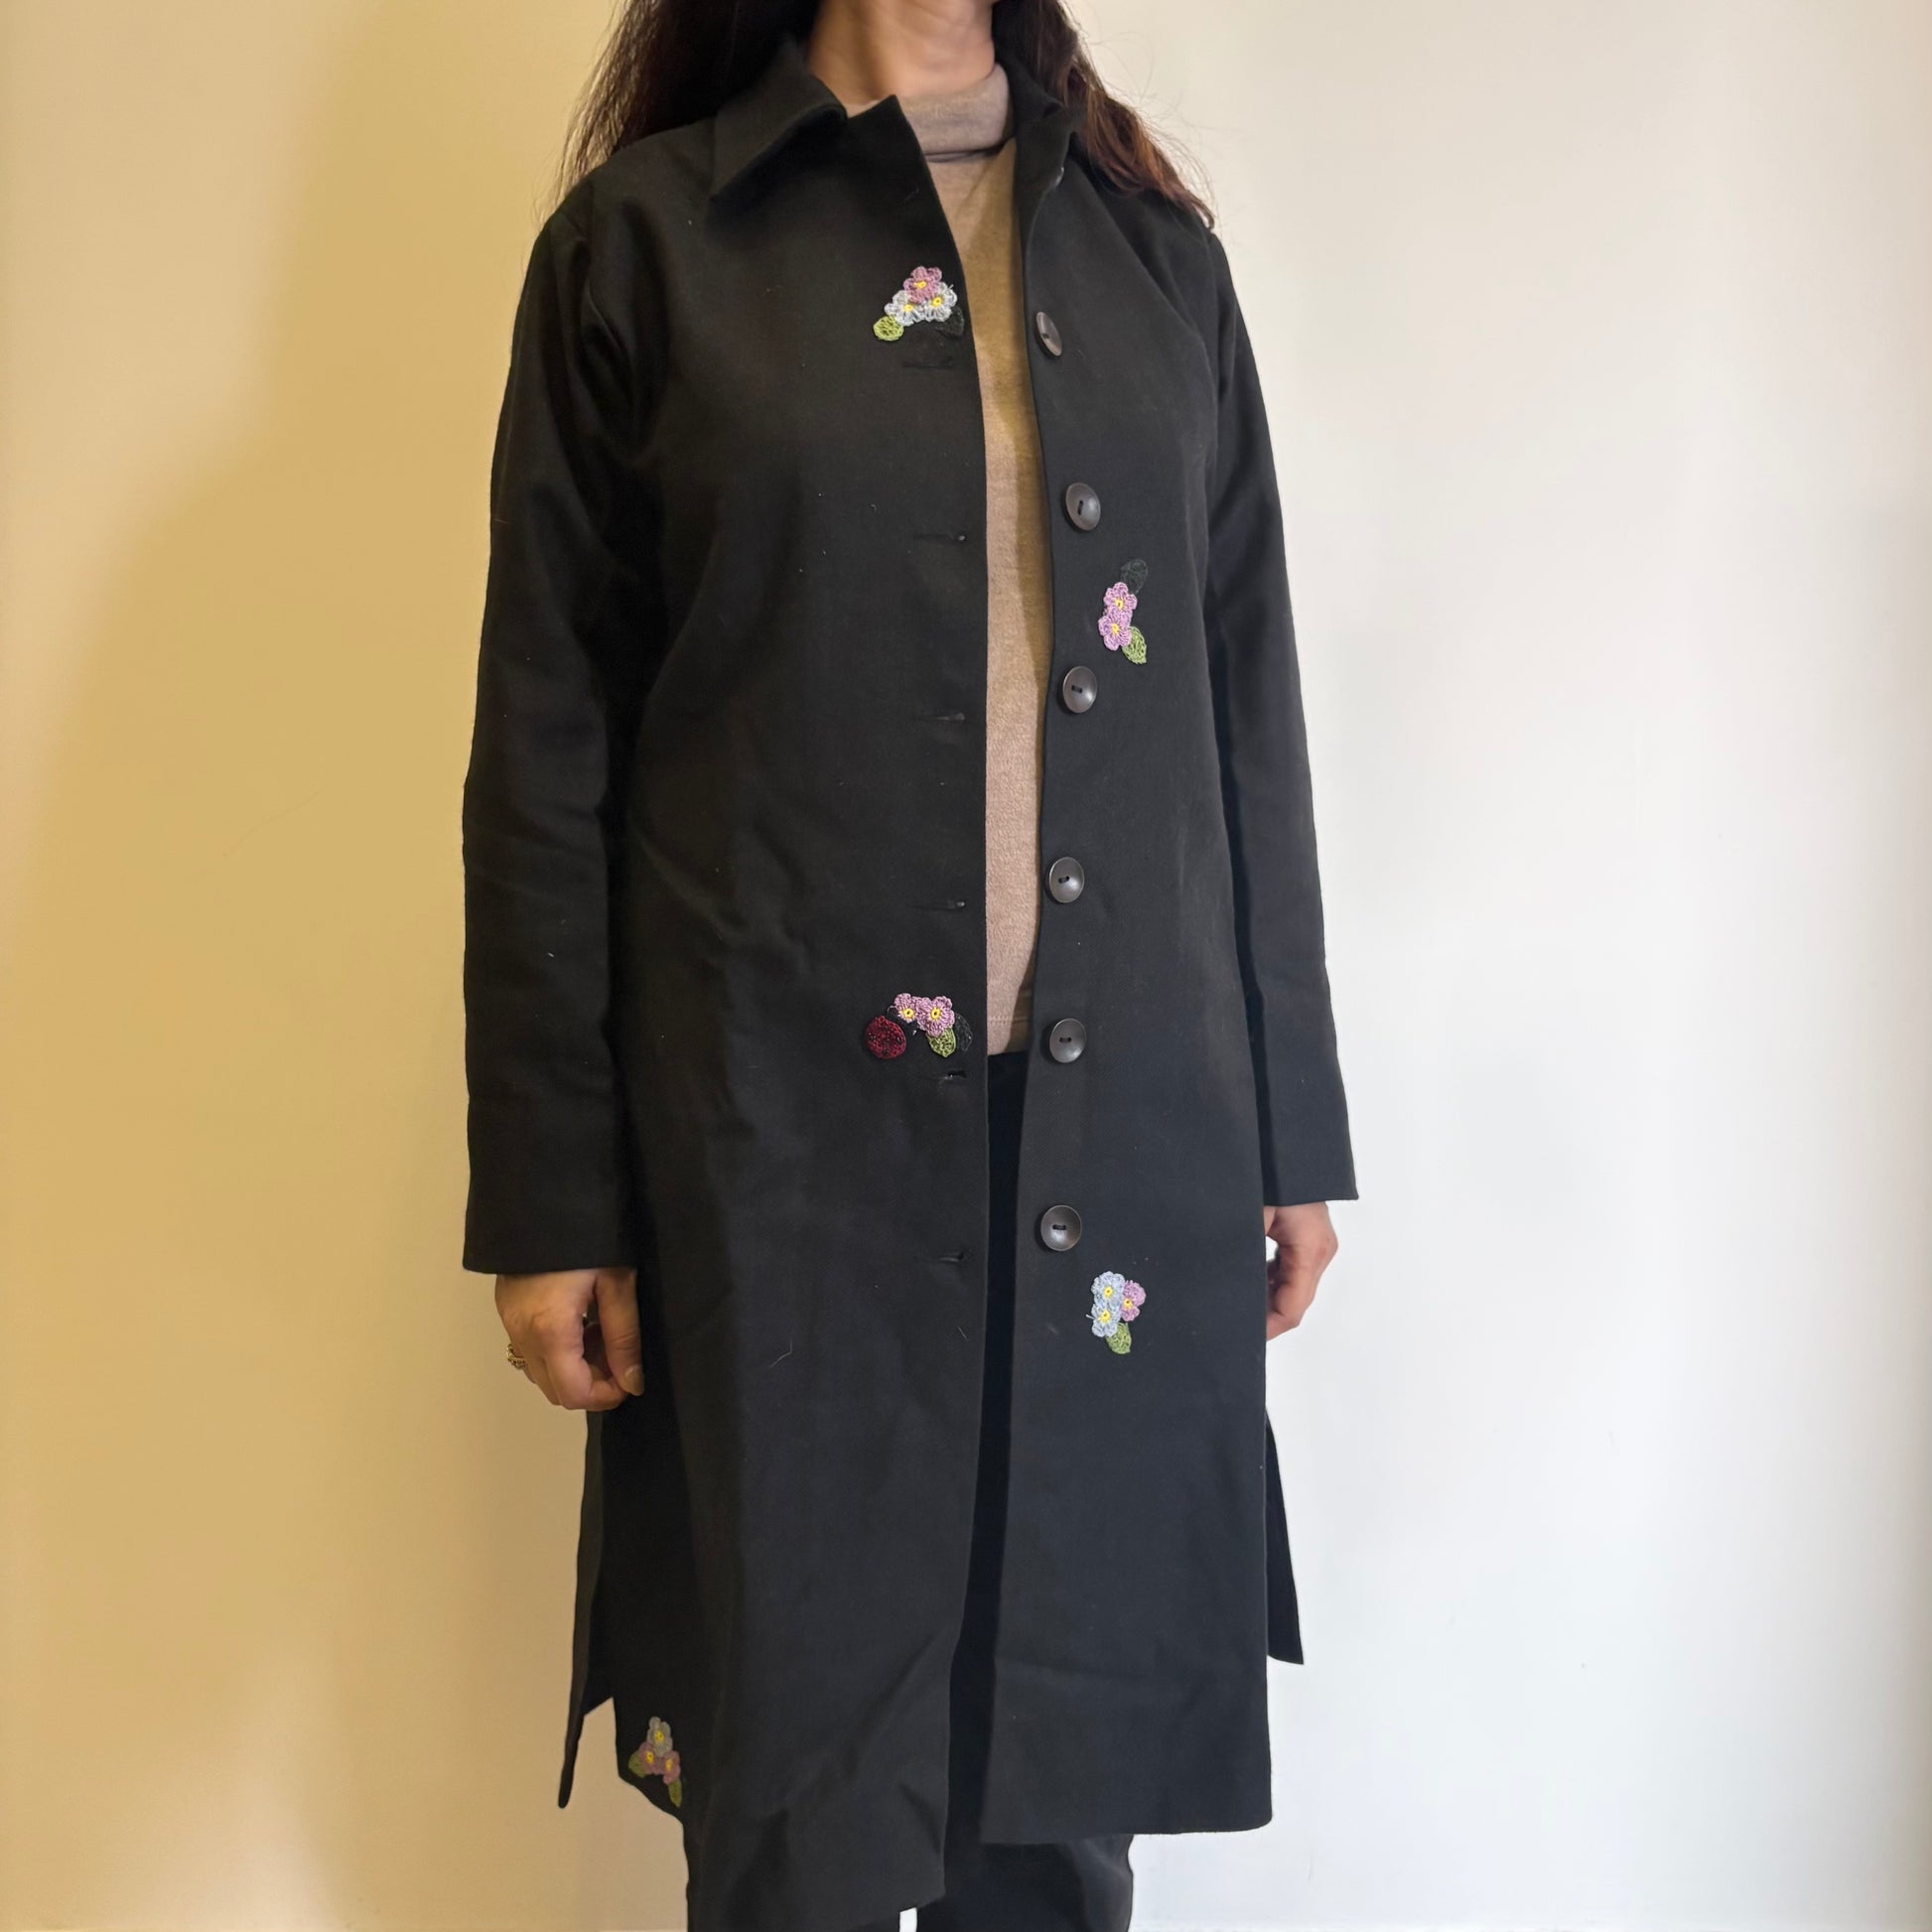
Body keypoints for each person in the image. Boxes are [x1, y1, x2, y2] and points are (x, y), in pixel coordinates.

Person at [462, 1, 1354, 1926]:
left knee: (1058, 1795)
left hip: (1117, 1144)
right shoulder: (649, 246)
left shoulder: (1152, 256)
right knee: (795, 1804)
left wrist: (1289, 1128)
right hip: (778, 1154)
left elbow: (1243, 713)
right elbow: (544, 744)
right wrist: (550, 1193)